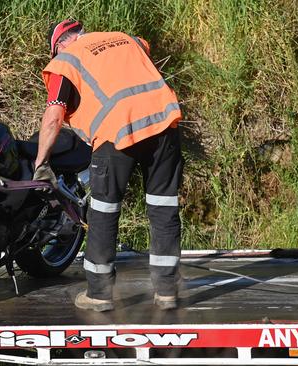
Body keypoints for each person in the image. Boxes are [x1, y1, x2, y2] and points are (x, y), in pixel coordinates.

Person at [32, 19, 184, 311]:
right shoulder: (126, 38)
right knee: (163, 207)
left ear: (60, 45)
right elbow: (137, 57)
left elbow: (53, 116)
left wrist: (42, 162)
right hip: (164, 125)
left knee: (103, 210)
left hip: (116, 132)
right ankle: (167, 291)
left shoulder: (66, 60)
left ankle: (100, 295)